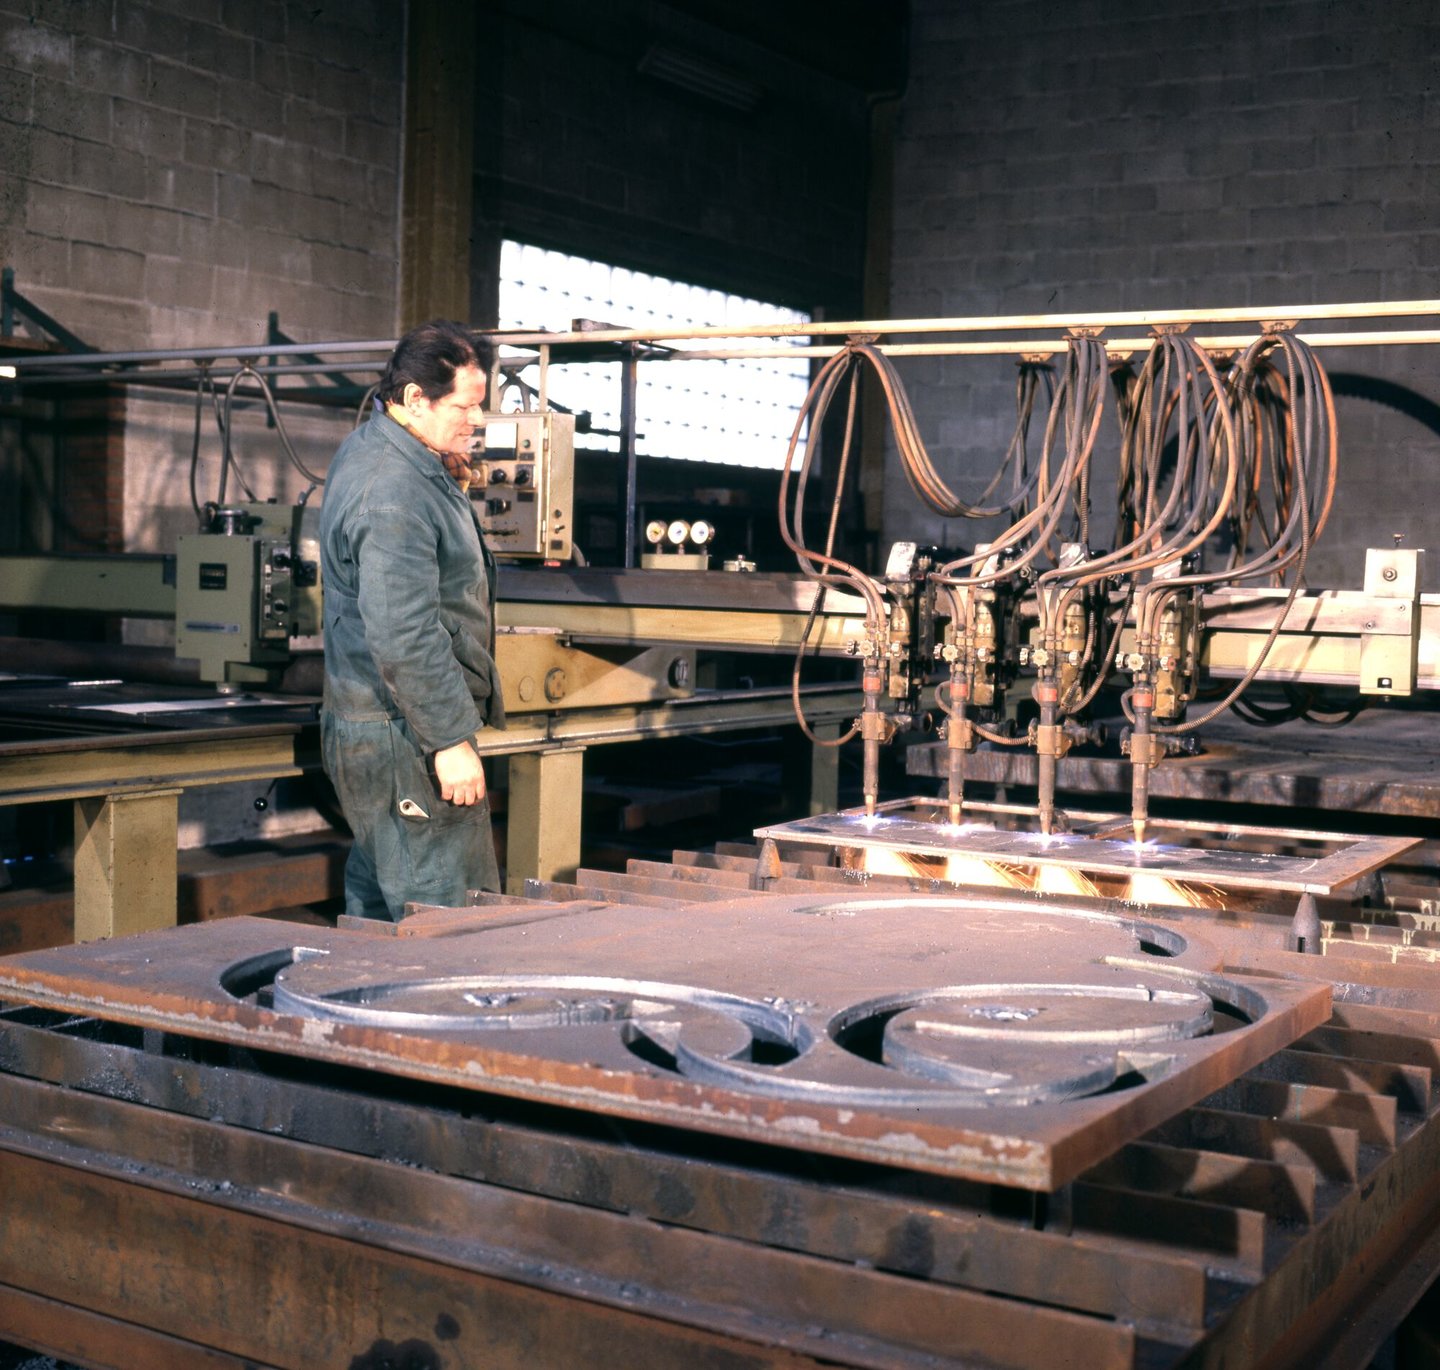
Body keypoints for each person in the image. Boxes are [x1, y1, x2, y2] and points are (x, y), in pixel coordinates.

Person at [319, 319, 505, 919]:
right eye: (464, 407)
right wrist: (449, 740)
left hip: (386, 726)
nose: (476, 421)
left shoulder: (392, 449)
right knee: (451, 918)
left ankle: (360, 1013)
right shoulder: (394, 486)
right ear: (413, 399)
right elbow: (404, 630)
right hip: (406, 734)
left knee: (380, 911)